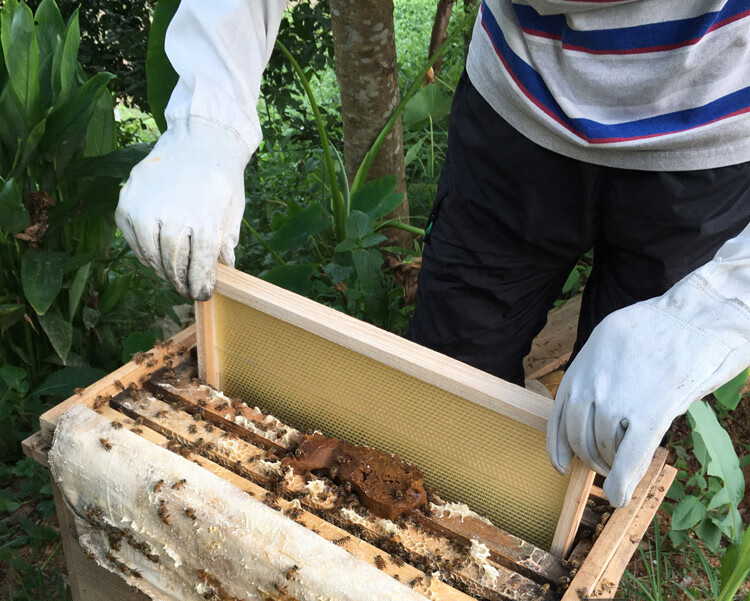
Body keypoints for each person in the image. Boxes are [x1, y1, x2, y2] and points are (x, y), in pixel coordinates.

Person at [116, 0, 750, 509]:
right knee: (446, 381)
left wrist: (718, 310)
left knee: (610, 422)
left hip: (710, 146)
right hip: (516, 113)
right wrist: (207, 120)